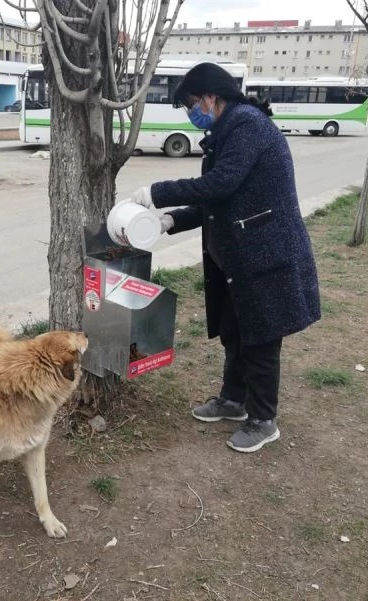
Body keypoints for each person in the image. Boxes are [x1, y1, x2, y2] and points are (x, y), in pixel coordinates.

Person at [127, 62, 321, 453]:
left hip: (267, 254)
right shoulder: (226, 130)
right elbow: (221, 201)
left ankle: (264, 420)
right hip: (241, 256)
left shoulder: (247, 125)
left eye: (191, 105)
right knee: (235, 331)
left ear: (211, 97)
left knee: (261, 339)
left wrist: (157, 192)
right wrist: (169, 221)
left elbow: (219, 184)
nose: (190, 114)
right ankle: (233, 400)